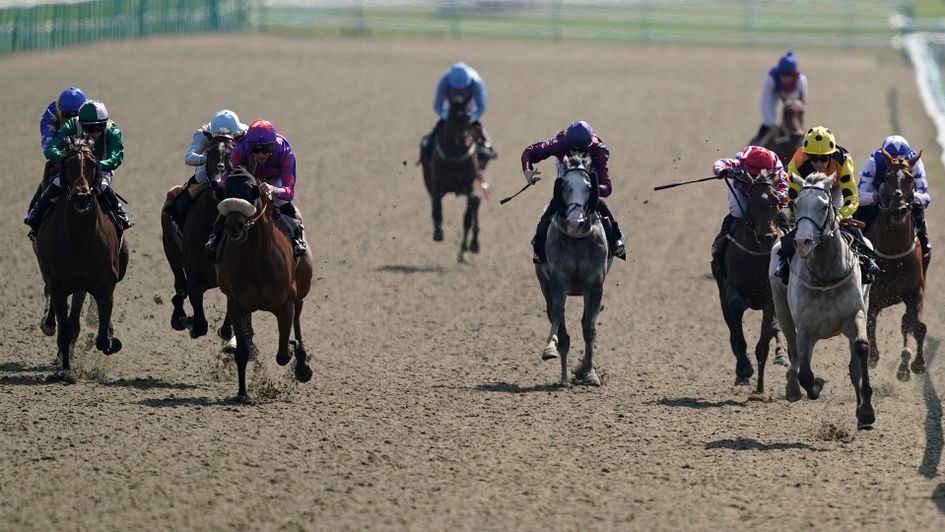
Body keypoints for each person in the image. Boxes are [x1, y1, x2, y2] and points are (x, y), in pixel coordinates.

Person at [775, 125, 878, 284]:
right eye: (813, 158)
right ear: (806, 155)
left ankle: (866, 261)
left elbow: (852, 198)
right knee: (801, 225)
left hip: (834, 189)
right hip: (806, 191)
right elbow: (792, 199)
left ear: (831, 154)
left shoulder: (843, 159)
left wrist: (840, 216)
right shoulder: (796, 163)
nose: (819, 163)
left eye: (824, 158)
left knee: (849, 225)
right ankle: (784, 264)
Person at [521, 120, 626, 263]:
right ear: (567, 144)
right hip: (566, 175)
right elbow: (530, 152)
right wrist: (527, 170)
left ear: (589, 146)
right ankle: (538, 244)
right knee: (554, 204)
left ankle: (616, 239)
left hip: (588, 181)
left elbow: (607, 188)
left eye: (582, 150)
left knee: (600, 205)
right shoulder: (559, 143)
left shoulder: (599, 151)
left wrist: (590, 188)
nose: (577, 153)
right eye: (572, 149)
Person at [26, 99, 131, 238]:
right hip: (73, 169)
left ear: (105, 124)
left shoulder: (112, 131)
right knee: (56, 184)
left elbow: (116, 157)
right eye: (89, 129)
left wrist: (97, 165)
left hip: (101, 170)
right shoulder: (72, 125)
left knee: (103, 187)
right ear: (81, 124)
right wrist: (66, 161)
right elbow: (51, 149)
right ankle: (36, 217)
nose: (94, 134)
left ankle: (120, 217)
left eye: (99, 128)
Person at [206, 119, 307, 257]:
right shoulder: (240, 149)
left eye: (265, 149)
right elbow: (229, 175)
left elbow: (289, 191)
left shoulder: (284, 151)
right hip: (249, 176)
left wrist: (274, 189)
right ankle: (215, 235)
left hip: (274, 179)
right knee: (233, 198)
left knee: (284, 203)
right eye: (255, 149)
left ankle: (297, 238)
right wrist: (221, 186)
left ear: (273, 146)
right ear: (249, 146)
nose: (260, 154)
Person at [709, 146, 788, 275]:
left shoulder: (777, 169)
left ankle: (788, 241)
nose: (756, 178)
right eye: (753, 175)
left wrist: (776, 197)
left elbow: (785, 190)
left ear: (770, 172)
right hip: (742, 189)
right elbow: (719, 163)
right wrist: (721, 170)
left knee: (776, 212)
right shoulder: (741, 161)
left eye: (759, 175)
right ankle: (719, 246)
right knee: (738, 212)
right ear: (746, 167)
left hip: (767, 193)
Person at [420, 62, 496, 188]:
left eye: (462, 88)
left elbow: (481, 107)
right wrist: (449, 118)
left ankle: (482, 165)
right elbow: (437, 106)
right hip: (449, 107)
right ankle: (428, 149)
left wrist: (469, 119)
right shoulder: (444, 82)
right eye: (457, 88)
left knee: (482, 136)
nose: (460, 90)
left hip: (470, 106)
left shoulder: (476, 83)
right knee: (435, 134)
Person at [166, 109, 248, 225]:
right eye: (218, 136)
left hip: (233, 163)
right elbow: (189, 157)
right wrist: (209, 158)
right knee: (200, 177)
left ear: (235, 133)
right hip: (210, 164)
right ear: (212, 133)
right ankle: (178, 218)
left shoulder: (245, 132)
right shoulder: (203, 133)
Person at [856, 135, 931, 257]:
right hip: (877, 198)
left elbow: (926, 199)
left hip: (906, 200)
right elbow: (858, 197)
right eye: (892, 161)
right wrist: (876, 196)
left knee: (919, 211)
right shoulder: (873, 162)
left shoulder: (915, 163)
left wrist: (910, 195)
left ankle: (924, 243)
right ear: (885, 158)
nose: (897, 165)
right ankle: (857, 244)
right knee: (858, 214)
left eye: (901, 161)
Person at [26, 87, 89, 220]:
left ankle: (118, 214)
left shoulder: (92, 111)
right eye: (68, 115)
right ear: (60, 111)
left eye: (76, 115)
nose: (72, 119)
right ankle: (36, 213)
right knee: (50, 174)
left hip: (86, 154)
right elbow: (48, 147)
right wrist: (64, 159)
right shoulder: (50, 115)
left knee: (102, 183)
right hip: (62, 155)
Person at [751, 50, 807, 146]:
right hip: (774, 95)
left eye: (789, 75)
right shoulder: (770, 79)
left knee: (794, 116)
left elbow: (802, 104)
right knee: (767, 125)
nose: (785, 78)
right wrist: (772, 124)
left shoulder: (801, 80)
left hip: (793, 99)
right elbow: (765, 103)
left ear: (793, 73)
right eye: (783, 74)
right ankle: (757, 144)